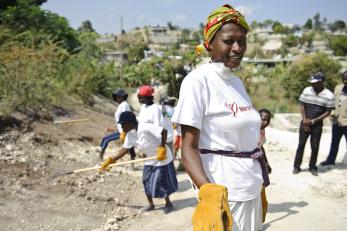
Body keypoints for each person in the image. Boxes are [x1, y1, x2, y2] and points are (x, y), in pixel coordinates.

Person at [172, 4, 268, 231]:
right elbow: (188, 148)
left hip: (250, 187)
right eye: (228, 41)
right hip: (224, 193)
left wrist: (257, 182)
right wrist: (209, 194)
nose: (237, 48)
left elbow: (246, 137)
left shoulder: (236, 82)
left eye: (242, 41)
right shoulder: (197, 81)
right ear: (210, 43)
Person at [99, 111, 178, 214]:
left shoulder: (145, 127)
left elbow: (163, 131)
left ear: (130, 123)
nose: (121, 127)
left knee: (161, 181)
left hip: (161, 157)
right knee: (146, 180)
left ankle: (168, 203)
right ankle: (151, 204)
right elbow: (124, 150)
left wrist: (162, 146)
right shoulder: (130, 134)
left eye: (123, 124)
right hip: (150, 159)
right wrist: (111, 160)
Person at [293, 72, 334, 176]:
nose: (312, 84)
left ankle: (312, 167)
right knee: (301, 145)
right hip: (305, 122)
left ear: (321, 82)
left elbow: (327, 112)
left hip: (317, 125)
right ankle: (296, 167)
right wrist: (305, 120)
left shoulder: (329, 95)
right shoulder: (306, 90)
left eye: (314, 82)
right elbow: (302, 105)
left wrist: (313, 121)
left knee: (315, 146)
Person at [99, 89, 136, 165]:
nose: (118, 98)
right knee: (130, 146)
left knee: (106, 139)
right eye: (117, 97)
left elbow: (127, 116)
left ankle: (100, 157)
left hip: (124, 130)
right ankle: (132, 164)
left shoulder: (124, 105)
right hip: (122, 129)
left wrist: (124, 131)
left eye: (120, 96)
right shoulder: (122, 105)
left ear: (123, 97)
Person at [321, 71, 347, 166]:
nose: (345, 83)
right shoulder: (337, 88)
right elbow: (333, 102)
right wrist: (332, 112)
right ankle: (331, 160)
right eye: (344, 81)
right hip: (336, 122)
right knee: (334, 142)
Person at [259, 109, 272, 174]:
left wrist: (266, 163)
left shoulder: (262, 130)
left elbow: (260, 147)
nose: (266, 122)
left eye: (268, 120)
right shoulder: (253, 131)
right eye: (263, 120)